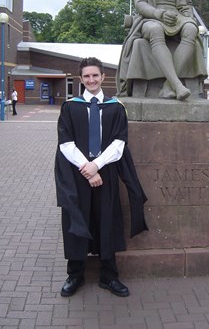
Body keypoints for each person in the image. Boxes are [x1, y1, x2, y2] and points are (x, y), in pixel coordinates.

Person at [55, 57, 148, 298]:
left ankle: (109, 275)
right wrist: (87, 168)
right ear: (81, 79)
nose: (91, 80)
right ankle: (75, 274)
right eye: (86, 76)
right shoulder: (70, 107)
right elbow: (65, 143)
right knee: (76, 220)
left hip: (105, 172)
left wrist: (96, 166)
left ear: (103, 77)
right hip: (77, 174)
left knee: (107, 221)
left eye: (95, 75)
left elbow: (119, 143)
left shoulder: (115, 107)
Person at [116, 0, 207, 100]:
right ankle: (177, 85)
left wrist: (187, 15)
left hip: (177, 17)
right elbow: (140, 4)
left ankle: (168, 86)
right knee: (156, 30)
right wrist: (159, 14)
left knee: (191, 29)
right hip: (150, 17)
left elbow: (186, 4)